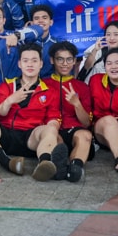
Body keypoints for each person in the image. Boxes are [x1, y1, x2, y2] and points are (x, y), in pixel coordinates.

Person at [0, 44, 68, 181]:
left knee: (51, 129)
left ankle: (44, 164)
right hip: (4, 136)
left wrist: (51, 133)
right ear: (19, 64)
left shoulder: (50, 91)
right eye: (25, 60)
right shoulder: (7, 85)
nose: (30, 64)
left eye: (34, 60)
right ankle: (5, 161)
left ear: (41, 64)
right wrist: (10, 101)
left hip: (31, 138)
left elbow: (54, 118)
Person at [43, 42, 93, 182]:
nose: (65, 64)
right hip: (52, 129)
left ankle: (75, 168)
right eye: (60, 59)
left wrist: (77, 104)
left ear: (74, 61)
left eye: (69, 59)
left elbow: (86, 122)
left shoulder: (82, 87)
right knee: (55, 138)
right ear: (52, 60)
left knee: (85, 135)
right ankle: (59, 167)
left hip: (74, 130)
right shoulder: (43, 84)